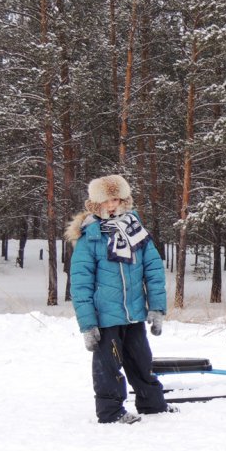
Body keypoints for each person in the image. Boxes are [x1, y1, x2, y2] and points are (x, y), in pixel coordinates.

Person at [65, 174, 178, 424]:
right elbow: (81, 284)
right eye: (106, 201)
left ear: (123, 200)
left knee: (141, 362)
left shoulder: (136, 231)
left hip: (134, 313)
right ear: (96, 204)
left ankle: (153, 405)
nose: (111, 205)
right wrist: (87, 325)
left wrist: (157, 308)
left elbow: (154, 271)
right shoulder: (90, 237)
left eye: (115, 199)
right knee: (108, 368)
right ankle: (111, 412)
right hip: (105, 318)